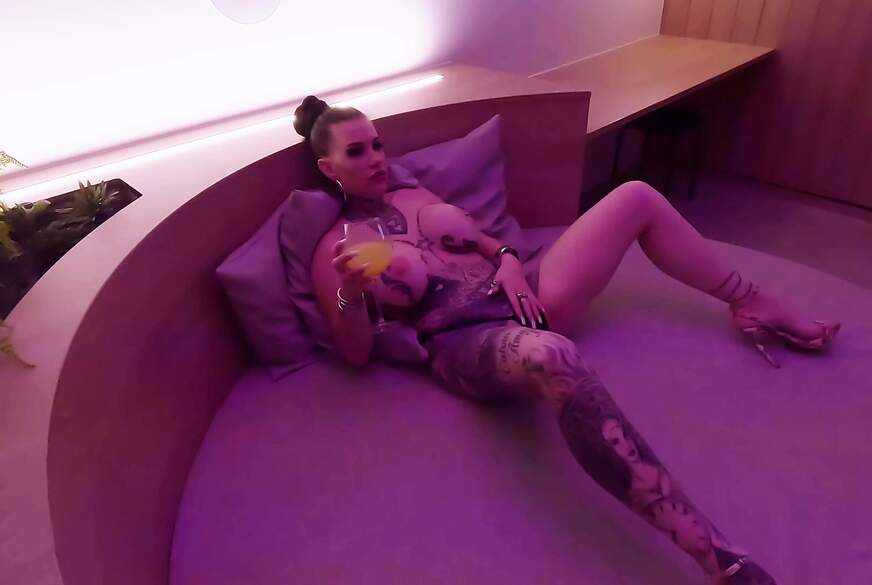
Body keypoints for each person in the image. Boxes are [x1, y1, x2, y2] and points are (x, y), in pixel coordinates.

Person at [296, 95, 840, 584]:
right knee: (554, 354)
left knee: (635, 196)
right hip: (468, 338)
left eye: (378, 144)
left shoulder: (416, 194)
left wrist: (509, 261)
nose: (377, 158)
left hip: (528, 295)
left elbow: (485, 242)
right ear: (328, 168)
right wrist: (350, 294)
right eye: (357, 152)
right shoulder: (336, 248)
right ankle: (714, 555)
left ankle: (751, 301)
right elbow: (356, 352)